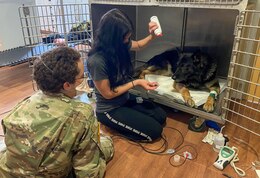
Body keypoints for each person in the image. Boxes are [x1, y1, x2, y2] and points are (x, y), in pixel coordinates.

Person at [0, 47, 114, 178]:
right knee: (106, 144)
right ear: (67, 85)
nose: (83, 80)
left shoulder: (22, 104)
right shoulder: (81, 113)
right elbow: (88, 174)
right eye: (81, 77)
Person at [87, 8, 167, 142]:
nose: (127, 40)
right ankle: (111, 127)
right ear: (112, 37)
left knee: (161, 116)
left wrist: (152, 35)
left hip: (124, 99)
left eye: (128, 37)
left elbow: (139, 45)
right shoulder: (97, 61)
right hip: (109, 109)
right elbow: (108, 94)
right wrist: (137, 82)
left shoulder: (119, 44)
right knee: (155, 131)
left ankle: (127, 119)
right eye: (125, 37)